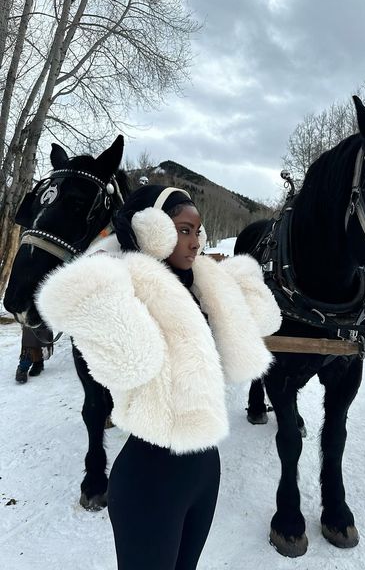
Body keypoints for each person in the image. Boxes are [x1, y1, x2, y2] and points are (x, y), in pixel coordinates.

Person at [37, 185, 281, 570]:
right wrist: (109, 263)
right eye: (183, 230)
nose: (196, 242)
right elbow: (130, 361)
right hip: (151, 477)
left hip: (205, 467)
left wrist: (240, 284)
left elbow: (260, 323)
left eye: (198, 231)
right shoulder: (128, 289)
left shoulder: (202, 287)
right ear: (153, 230)